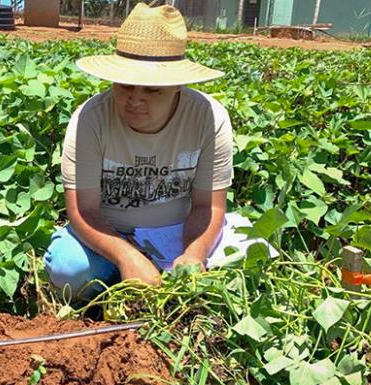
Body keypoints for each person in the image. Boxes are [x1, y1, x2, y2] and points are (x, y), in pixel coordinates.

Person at [44, 4, 234, 300]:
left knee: (244, 266)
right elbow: (84, 210)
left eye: (151, 90)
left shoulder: (208, 117)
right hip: (108, 236)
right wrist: (127, 256)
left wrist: (194, 255)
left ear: (177, 85)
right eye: (125, 86)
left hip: (180, 234)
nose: (135, 99)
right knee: (70, 270)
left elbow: (208, 206)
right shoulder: (90, 120)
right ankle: (112, 289)